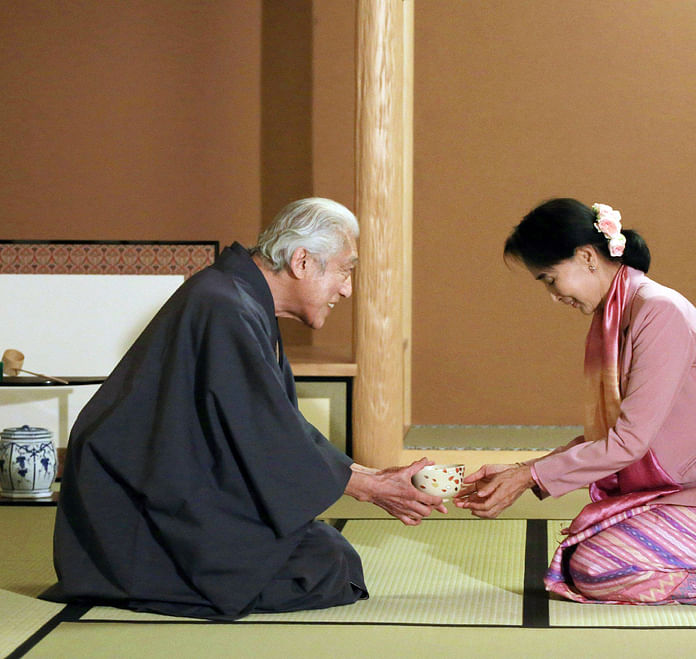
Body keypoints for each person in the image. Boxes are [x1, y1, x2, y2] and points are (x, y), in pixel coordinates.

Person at [42, 198, 446, 620]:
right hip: (135, 500)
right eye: (345, 271)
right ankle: (134, 576)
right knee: (325, 566)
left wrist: (371, 477)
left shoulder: (238, 296)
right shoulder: (225, 305)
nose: (346, 289)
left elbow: (273, 423)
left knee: (327, 554)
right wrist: (371, 489)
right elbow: (263, 432)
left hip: (171, 478)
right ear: (302, 262)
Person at [455, 198, 696, 606]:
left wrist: (528, 476)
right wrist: (522, 470)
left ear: (586, 257)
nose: (552, 296)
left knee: (595, 569)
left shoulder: (658, 310)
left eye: (549, 279)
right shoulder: (622, 313)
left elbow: (626, 444)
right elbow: (620, 435)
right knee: (587, 550)